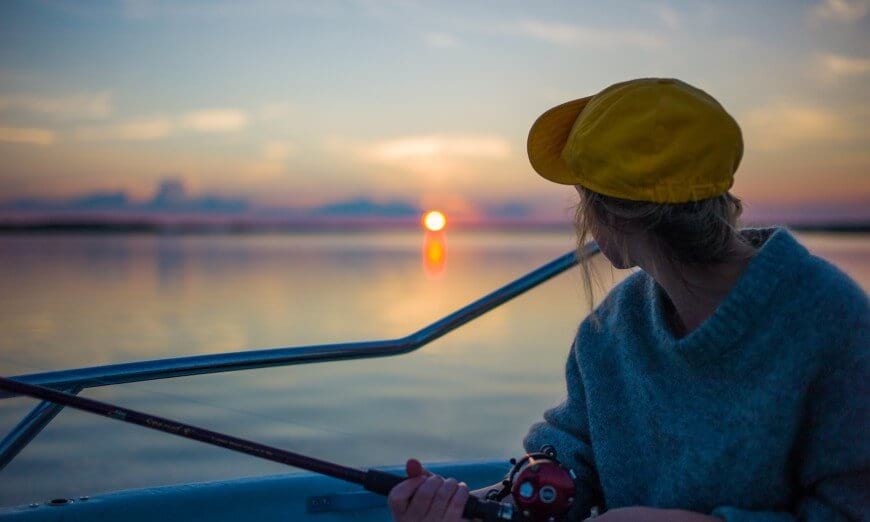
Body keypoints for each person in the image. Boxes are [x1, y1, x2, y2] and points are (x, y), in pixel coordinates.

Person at [387, 78, 869, 522]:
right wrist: (487, 502)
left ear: (610, 216)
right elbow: (572, 452)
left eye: (582, 197)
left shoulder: (833, 322)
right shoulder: (612, 328)